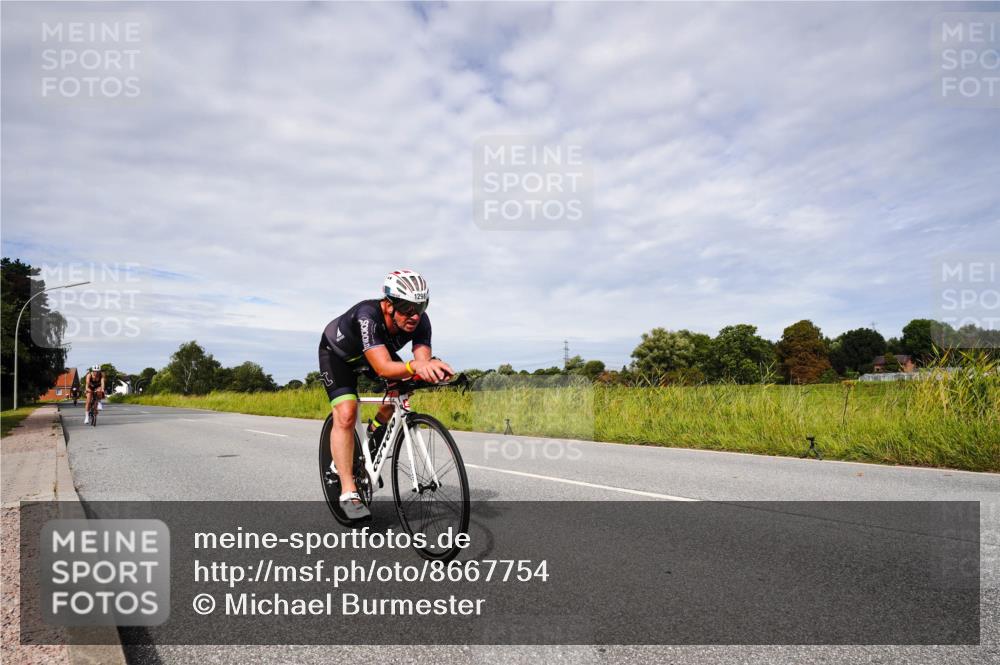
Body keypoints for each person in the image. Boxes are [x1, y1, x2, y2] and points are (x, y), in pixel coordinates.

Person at [319, 270, 452, 520]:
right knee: (346, 413)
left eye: (421, 306)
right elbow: (382, 367)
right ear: (389, 305)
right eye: (407, 308)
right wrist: (415, 367)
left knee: (399, 391)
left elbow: (421, 362)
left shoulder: (421, 321)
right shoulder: (367, 315)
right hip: (338, 355)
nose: (415, 315)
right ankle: (348, 492)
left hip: (375, 351)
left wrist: (433, 370)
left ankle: (374, 432)